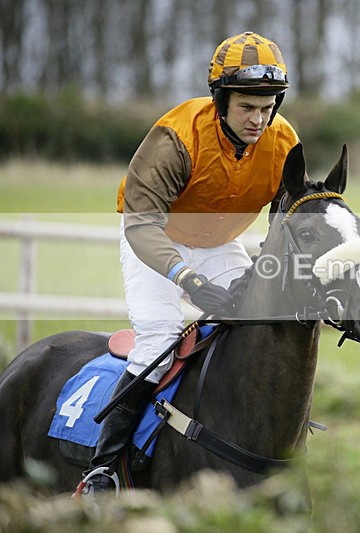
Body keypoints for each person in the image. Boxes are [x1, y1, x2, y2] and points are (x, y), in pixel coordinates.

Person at [77, 31, 300, 495]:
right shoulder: (176, 137)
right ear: (220, 99)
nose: (259, 120)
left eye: (268, 107)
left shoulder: (284, 143)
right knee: (159, 334)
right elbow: (141, 227)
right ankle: (103, 469)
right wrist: (188, 279)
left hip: (220, 244)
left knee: (255, 325)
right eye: (247, 107)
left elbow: (287, 227)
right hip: (155, 240)